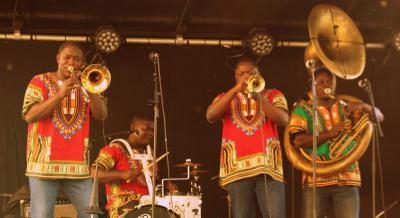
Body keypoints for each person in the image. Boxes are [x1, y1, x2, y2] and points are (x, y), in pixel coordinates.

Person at [22, 41, 108, 218]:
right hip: (43, 166)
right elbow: (30, 115)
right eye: (66, 57)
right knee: (42, 215)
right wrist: (59, 95)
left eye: (76, 59)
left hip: (77, 167)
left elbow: (101, 115)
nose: (71, 61)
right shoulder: (39, 81)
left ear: (82, 63)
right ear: (57, 58)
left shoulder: (87, 85)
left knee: (91, 215)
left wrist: (89, 88)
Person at [286, 68, 384, 218]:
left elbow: (379, 116)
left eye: (329, 82)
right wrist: (330, 134)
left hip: (347, 178)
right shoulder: (302, 110)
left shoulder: (347, 106)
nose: (326, 85)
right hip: (315, 180)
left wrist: (363, 106)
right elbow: (298, 141)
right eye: (320, 82)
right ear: (312, 85)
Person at [206, 58, 289, 218]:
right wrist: (236, 89)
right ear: (236, 78)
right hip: (237, 170)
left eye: (250, 72)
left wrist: (259, 98)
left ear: (259, 75)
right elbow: (210, 115)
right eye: (241, 74)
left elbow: (283, 119)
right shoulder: (225, 97)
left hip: (268, 169)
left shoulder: (273, 94)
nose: (246, 76)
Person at [91, 115, 155, 218]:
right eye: (146, 129)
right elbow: (94, 173)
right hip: (123, 208)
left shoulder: (151, 154)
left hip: (150, 206)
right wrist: (121, 174)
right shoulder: (115, 149)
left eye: (152, 130)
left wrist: (167, 186)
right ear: (133, 128)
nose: (151, 134)